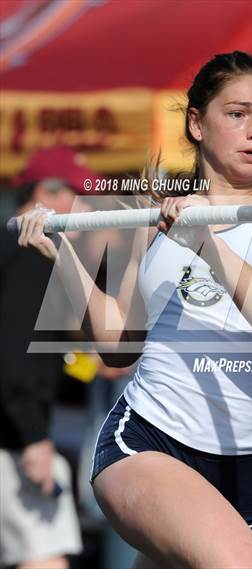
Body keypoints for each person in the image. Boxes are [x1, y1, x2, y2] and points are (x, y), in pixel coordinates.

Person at [15, 52, 252, 569]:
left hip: (246, 475)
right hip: (147, 443)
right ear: (197, 123)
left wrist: (206, 241)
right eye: (237, 113)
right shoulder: (154, 218)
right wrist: (63, 257)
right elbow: (119, 349)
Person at [0, 146, 97, 569]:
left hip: (12, 434)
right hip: (14, 440)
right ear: (45, 194)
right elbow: (15, 354)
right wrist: (34, 438)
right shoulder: (31, 253)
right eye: (77, 194)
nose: (88, 207)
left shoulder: (10, 246)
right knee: (45, 559)